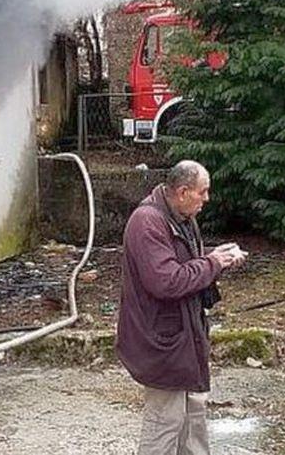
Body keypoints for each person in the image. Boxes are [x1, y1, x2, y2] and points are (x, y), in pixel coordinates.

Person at [116, 160, 246, 455]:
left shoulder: (181, 217)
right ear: (184, 191)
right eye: (203, 192)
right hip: (163, 341)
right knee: (164, 422)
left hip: (185, 338)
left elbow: (186, 268)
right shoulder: (147, 222)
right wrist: (213, 263)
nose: (207, 199)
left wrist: (217, 258)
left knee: (193, 417)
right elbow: (166, 281)